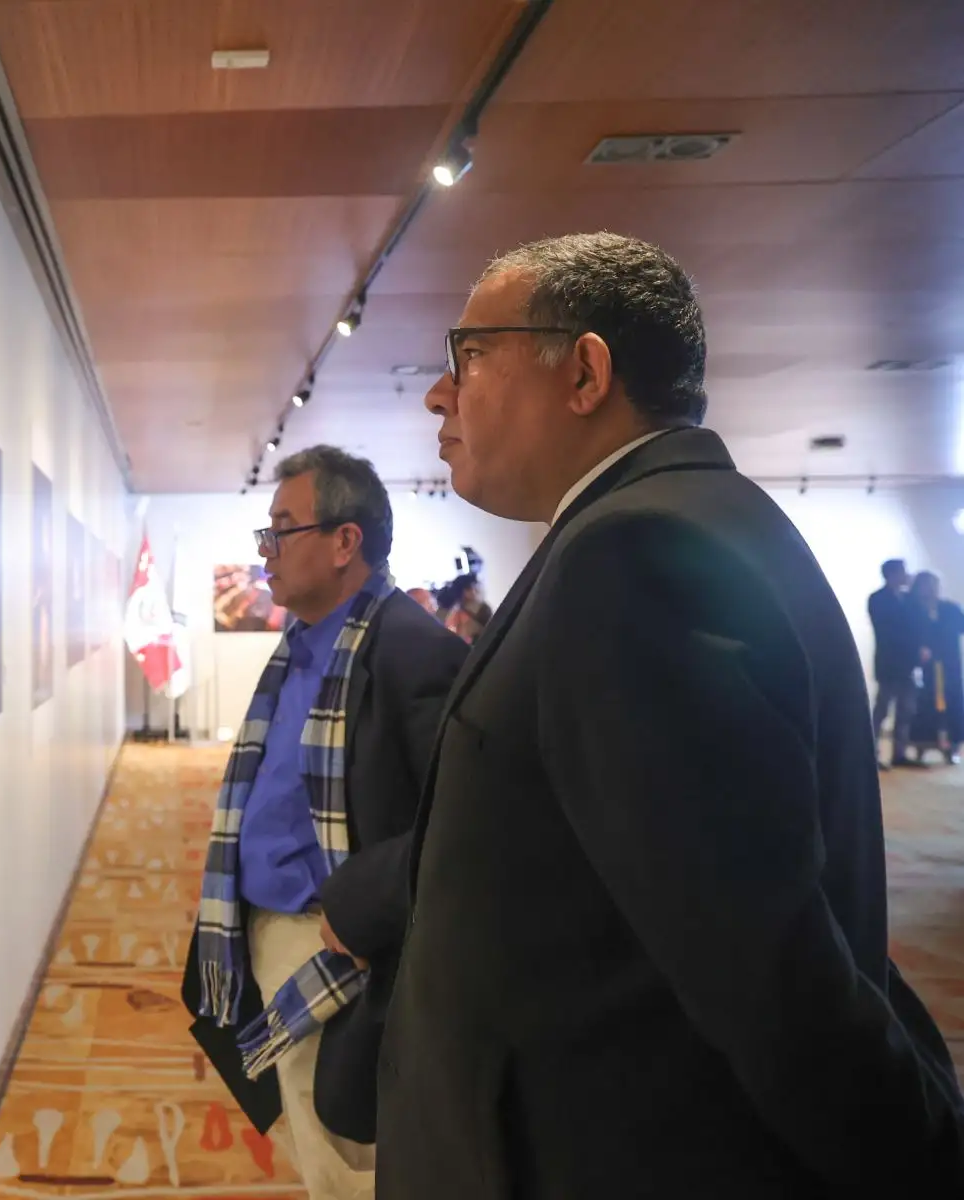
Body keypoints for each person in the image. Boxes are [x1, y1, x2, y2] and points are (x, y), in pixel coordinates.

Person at [371, 231, 964, 1197]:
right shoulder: (677, 524)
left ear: (586, 373)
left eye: (470, 355)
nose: (439, 393)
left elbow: (773, 973)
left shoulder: (634, 561)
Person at [183, 446, 467, 1199]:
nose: (265, 552)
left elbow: (462, 818)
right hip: (275, 930)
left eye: (283, 529)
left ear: (346, 542)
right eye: (264, 533)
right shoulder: (303, 645)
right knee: (317, 1147)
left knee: (350, 1166)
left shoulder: (413, 650)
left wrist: (366, 911)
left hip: (341, 950)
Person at [870, 558, 923, 768]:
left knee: (906, 710)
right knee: (882, 710)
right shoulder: (877, 599)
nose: (906, 575)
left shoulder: (910, 599)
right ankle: (871, 753)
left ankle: (899, 754)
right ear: (892, 574)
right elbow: (888, 630)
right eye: (903, 571)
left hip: (908, 665)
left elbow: (918, 626)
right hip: (889, 663)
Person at [909, 571, 964, 764]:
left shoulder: (949, 608)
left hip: (949, 665)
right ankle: (922, 746)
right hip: (926, 668)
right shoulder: (914, 610)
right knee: (925, 705)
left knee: (953, 703)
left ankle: (953, 746)